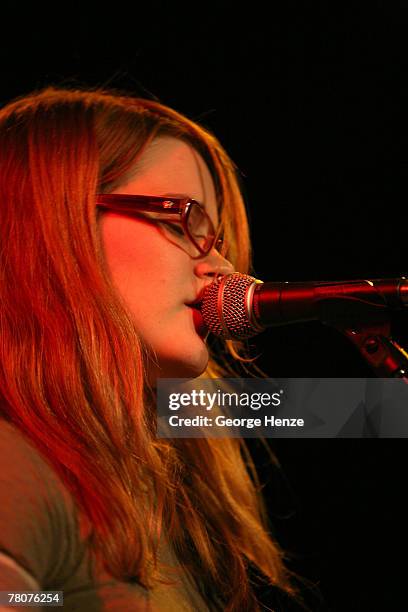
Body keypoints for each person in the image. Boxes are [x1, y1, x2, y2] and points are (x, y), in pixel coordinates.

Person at [0, 87, 300, 611]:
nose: (224, 271)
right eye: (180, 216)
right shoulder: (16, 464)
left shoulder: (169, 419)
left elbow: (346, 409)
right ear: (56, 222)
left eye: (219, 240)